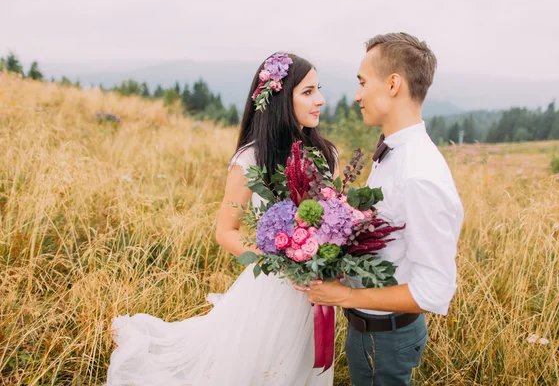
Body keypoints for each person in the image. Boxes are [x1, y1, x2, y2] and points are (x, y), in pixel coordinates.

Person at [105, 52, 338, 385]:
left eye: (318, 90)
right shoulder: (253, 156)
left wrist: (330, 257)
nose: (321, 100)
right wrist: (284, 258)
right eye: (308, 91)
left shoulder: (328, 154)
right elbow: (226, 231)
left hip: (317, 291)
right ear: (282, 99)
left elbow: (335, 218)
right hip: (273, 290)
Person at [295, 32, 464, 385]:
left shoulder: (419, 175)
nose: (356, 95)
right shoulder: (394, 151)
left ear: (392, 84)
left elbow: (433, 290)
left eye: (362, 82)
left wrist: (347, 295)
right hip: (371, 330)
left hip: (385, 339)